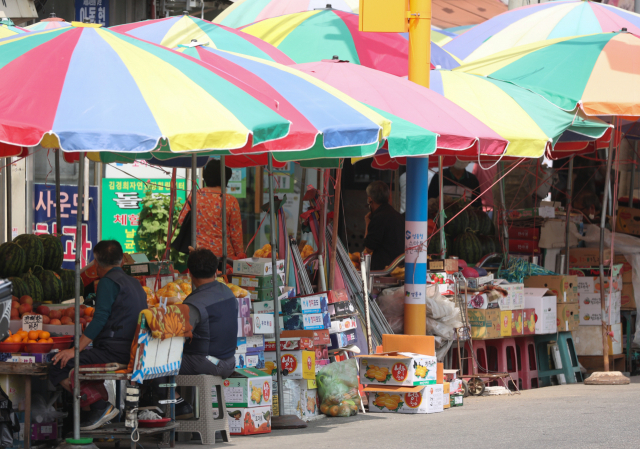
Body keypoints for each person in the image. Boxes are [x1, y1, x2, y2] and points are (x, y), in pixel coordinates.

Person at [49, 240, 147, 430]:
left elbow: (100, 319)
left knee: (57, 364)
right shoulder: (134, 283)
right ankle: (95, 414)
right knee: (79, 367)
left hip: (115, 351)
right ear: (122, 260)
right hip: (134, 351)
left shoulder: (107, 282)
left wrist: (74, 350)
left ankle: (99, 406)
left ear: (96, 263)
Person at [173, 248, 238, 418]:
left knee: (156, 364)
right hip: (229, 361)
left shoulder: (194, 303)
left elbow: (179, 334)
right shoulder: (227, 291)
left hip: (207, 362)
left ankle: (177, 402)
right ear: (216, 270)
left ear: (189, 273)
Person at [177, 159, 246, 261]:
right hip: (224, 257)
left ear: (206, 176)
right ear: (226, 177)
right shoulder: (231, 201)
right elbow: (236, 234)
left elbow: (181, 219)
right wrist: (240, 255)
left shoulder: (195, 196)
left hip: (199, 254)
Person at [363, 181, 405, 271]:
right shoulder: (398, 215)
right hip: (400, 268)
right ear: (388, 197)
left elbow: (368, 247)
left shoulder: (379, 217)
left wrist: (367, 222)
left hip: (384, 271)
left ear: (370, 199)